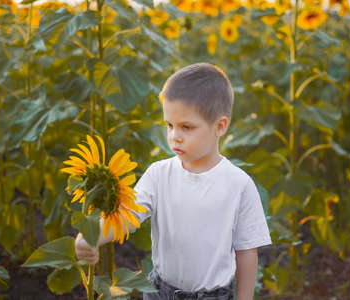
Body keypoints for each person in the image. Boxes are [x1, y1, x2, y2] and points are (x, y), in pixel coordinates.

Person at [75, 62, 272, 300]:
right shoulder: (159, 174)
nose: (174, 137)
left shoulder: (238, 184)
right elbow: (127, 216)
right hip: (160, 292)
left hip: (213, 295)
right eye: (169, 125)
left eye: (186, 127)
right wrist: (91, 235)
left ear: (220, 126)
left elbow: (246, 251)